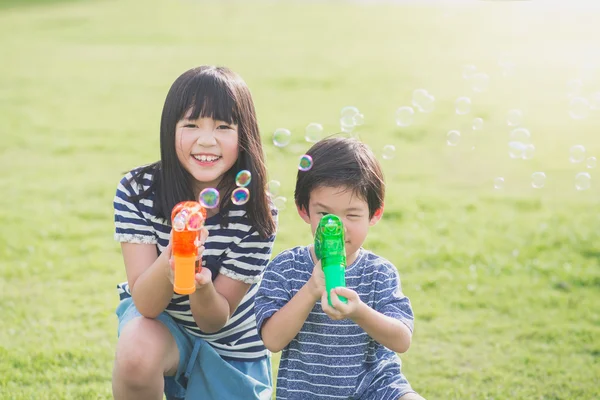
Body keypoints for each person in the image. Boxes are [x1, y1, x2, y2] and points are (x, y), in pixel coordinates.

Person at [112, 65, 277, 400]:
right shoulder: (137, 191)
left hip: (231, 347)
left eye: (223, 126)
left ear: (244, 136)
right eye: (191, 124)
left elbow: (214, 320)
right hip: (163, 324)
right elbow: (145, 304)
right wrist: (173, 255)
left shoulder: (256, 210)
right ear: (169, 129)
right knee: (136, 355)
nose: (206, 139)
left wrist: (201, 286)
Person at [255, 136, 425, 400]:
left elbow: (401, 340)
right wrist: (311, 289)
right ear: (304, 211)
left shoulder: (379, 273)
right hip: (307, 393)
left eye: (352, 215)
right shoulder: (286, 268)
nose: (338, 227)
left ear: (375, 215)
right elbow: (273, 341)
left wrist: (359, 312)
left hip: (376, 389)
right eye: (324, 215)